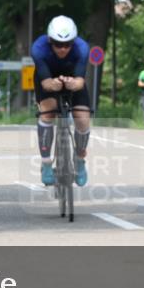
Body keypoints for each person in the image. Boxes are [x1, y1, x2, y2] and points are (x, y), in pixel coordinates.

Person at [32, 15, 91, 187]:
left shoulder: (82, 48)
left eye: (67, 44)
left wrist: (73, 83)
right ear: (50, 41)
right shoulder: (38, 48)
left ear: (74, 41)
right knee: (48, 111)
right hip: (48, 79)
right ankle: (46, 163)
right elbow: (45, 83)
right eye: (58, 44)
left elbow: (80, 81)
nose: (63, 49)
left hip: (73, 79)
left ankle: (80, 160)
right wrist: (53, 84)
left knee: (82, 118)